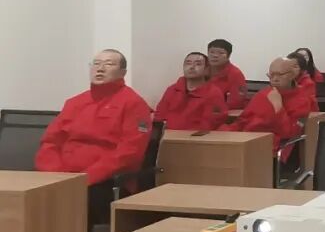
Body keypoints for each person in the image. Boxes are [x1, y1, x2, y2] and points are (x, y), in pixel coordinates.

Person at [36, 50, 152, 193]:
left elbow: (129, 152)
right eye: (96, 63)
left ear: (123, 72)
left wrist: (84, 179)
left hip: (104, 181)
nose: (100, 68)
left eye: (109, 64)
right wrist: (55, 174)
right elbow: (50, 141)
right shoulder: (75, 102)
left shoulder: (134, 104)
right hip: (60, 177)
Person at [223, 57, 309, 156]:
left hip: (269, 145)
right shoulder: (264, 93)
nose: (275, 79)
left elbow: (289, 133)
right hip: (246, 139)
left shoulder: (302, 100)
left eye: (280, 74)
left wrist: (278, 107)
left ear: (292, 75)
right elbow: (243, 120)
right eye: (271, 75)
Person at [153, 52, 227, 131]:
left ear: (206, 69)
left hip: (196, 136)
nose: (192, 67)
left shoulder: (213, 93)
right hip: (169, 135)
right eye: (188, 63)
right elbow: (159, 116)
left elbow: (211, 123)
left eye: (198, 64)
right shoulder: (173, 89)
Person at [207, 38, 248, 110]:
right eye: (212, 52)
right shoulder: (202, 69)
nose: (215, 55)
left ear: (228, 56)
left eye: (221, 53)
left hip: (223, 112)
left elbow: (236, 103)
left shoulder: (235, 74)